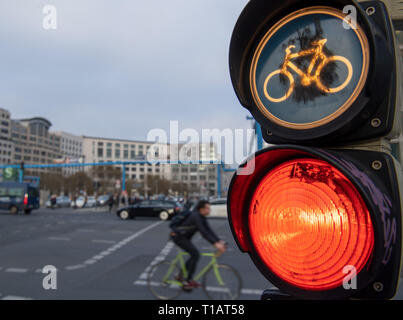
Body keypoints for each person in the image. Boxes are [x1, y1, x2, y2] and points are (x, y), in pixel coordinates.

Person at [169, 200, 226, 290]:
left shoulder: (201, 217)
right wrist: (215, 243)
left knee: (194, 255)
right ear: (201, 209)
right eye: (207, 208)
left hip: (184, 238)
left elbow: (209, 230)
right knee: (195, 254)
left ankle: (180, 275)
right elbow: (203, 232)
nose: (209, 210)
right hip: (178, 237)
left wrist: (219, 241)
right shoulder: (196, 217)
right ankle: (188, 280)